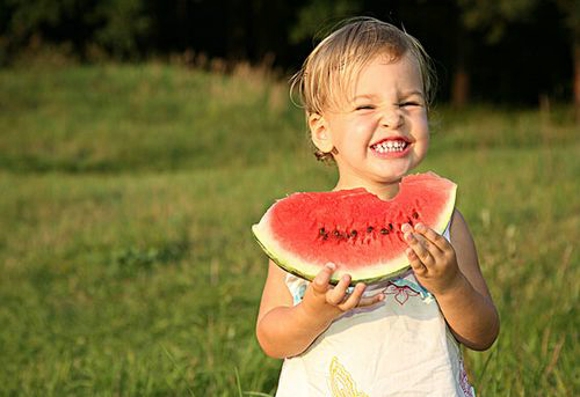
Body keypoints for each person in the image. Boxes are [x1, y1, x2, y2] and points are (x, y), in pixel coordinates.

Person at [255, 16, 499, 396]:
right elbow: (271, 338)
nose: (393, 117)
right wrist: (312, 312)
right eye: (366, 107)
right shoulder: (303, 235)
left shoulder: (447, 226)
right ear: (322, 131)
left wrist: (451, 286)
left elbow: (483, 333)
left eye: (409, 101)